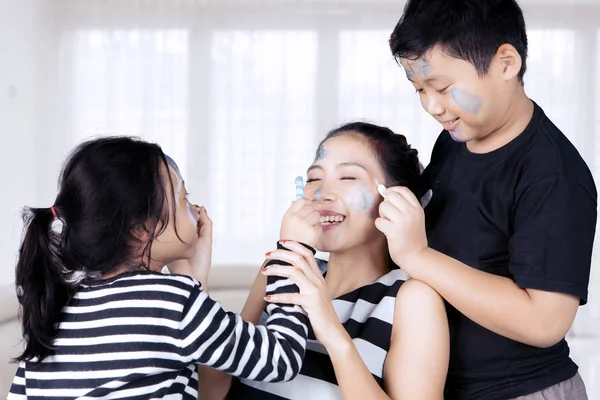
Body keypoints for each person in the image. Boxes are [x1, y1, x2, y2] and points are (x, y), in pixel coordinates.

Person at [380, 1, 597, 399]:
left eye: (442, 88)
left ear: (506, 63)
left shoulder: (551, 175)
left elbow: (545, 322)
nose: (432, 106)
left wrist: (418, 256)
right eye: (420, 91)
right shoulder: (455, 139)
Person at [7, 136, 315, 399]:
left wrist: (194, 280)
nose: (197, 210)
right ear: (140, 229)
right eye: (183, 199)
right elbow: (280, 359)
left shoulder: (55, 309)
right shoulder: (172, 303)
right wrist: (293, 249)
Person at [203, 122, 450, 400]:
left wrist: (331, 330)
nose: (321, 193)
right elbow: (212, 391)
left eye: (347, 178)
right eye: (313, 179)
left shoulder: (410, 298)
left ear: (396, 198)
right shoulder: (282, 270)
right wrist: (194, 275)